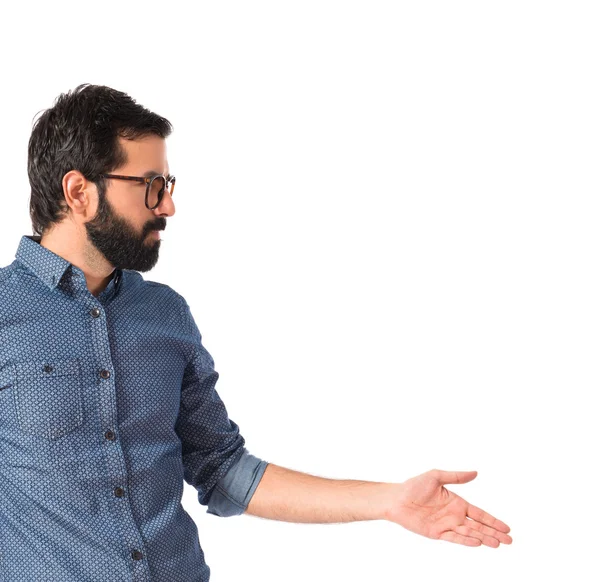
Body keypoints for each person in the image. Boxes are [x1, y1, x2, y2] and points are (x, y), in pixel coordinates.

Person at [0, 84, 512, 581]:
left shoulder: (163, 314)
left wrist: (388, 501)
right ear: (78, 192)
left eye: (169, 187)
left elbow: (224, 470)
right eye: (151, 185)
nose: (168, 206)